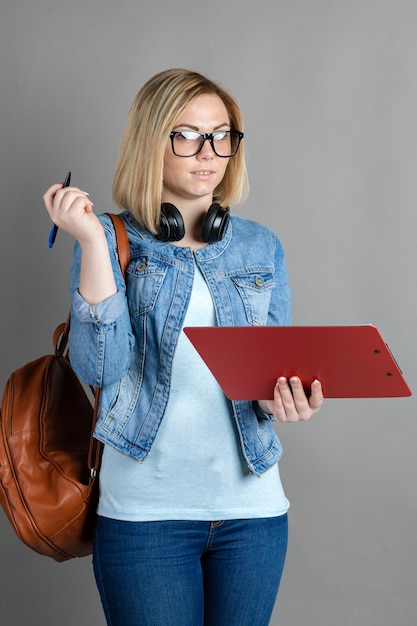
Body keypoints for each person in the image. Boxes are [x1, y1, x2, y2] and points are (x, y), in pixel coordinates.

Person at [43, 68, 323, 626]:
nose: (209, 152)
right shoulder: (108, 239)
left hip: (254, 515)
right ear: (152, 141)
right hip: (147, 518)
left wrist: (285, 399)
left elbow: (269, 373)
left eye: (222, 135)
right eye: (187, 134)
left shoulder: (259, 245)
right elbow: (99, 367)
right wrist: (94, 243)